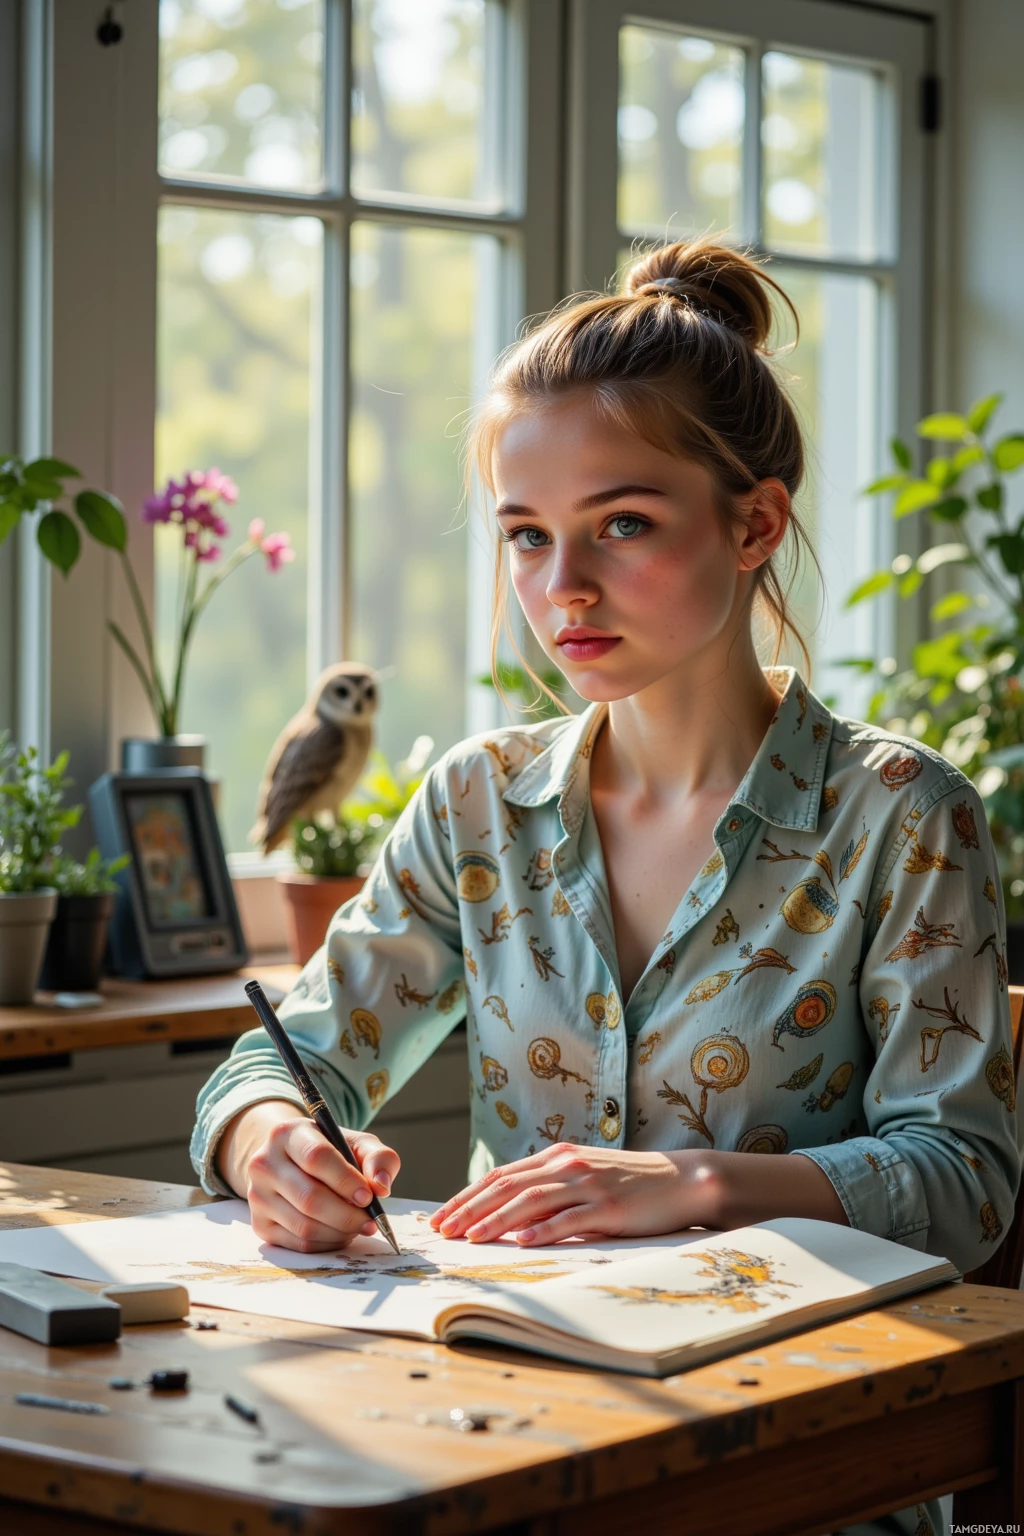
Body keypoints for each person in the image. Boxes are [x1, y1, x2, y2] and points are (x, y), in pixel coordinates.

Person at [192, 241, 1020, 1536]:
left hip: (807, 1468)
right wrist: (274, 1148)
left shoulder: (903, 818)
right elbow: (278, 1060)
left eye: (621, 524)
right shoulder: (478, 805)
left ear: (755, 523)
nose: (559, 588)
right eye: (527, 537)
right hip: (502, 1445)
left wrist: (692, 1184)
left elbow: (964, 1182)